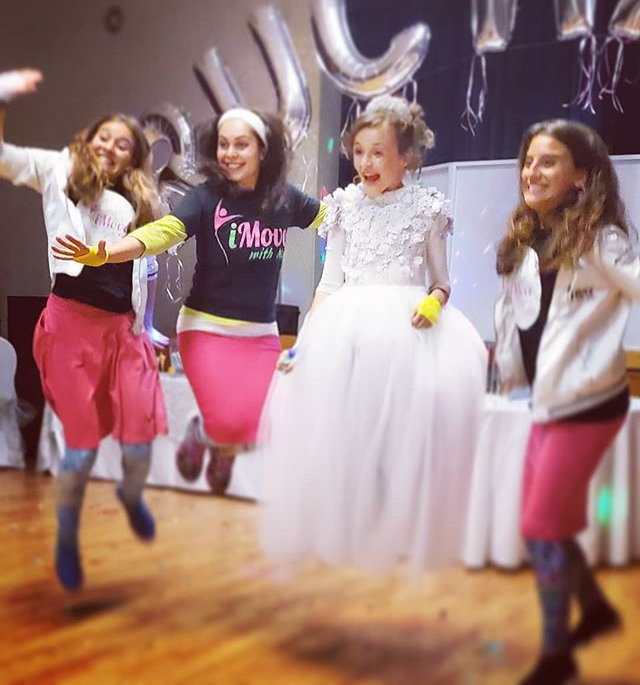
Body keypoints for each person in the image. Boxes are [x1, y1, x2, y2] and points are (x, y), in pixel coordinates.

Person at [259, 94, 487, 573]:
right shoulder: (344, 207)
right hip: (348, 329)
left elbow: (441, 282)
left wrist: (433, 302)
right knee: (347, 430)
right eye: (359, 152)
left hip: (406, 332)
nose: (366, 163)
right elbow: (328, 283)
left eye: (378, 152)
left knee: (401, 432)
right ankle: (348, 528)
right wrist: (305, 343)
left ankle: (398, 530)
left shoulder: (427, 208)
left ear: (406, 156)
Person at [53, 107, 326, 494]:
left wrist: (378, 207)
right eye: (224, 144)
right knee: (228, 423)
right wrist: (110, 252)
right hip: (205, 328)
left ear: (263, 151)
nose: (230, 153)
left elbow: (333, 219)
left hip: (260, 333)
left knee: (258, 426)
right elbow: (165, 231)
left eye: (241, 145)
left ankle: (215, 442)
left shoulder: (284, 200)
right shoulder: (206, 197)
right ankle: (206, 433)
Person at [0, 68, 167, 592]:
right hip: (70, 325)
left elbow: (145, 270)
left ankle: (131, 494)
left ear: (133, 158)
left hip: (123, 331)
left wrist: (147, 329)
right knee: (81, 445)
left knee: (139, 439)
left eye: (122, 144)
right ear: (88, 140)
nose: (110, 147)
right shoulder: (59, 170)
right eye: (103, 137)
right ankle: (68, 537)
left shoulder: (141, 202)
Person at [494, 119, 640, 685]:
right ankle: (596, 610)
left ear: (581, 175)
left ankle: (556, 655)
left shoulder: (603, 240)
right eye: (529, 161)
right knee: (545, 523)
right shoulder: (525, 240)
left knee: (541, 527)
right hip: (546, 402)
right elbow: (517, 317)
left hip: (588, 402)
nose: (533, 171)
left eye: (549, 161)